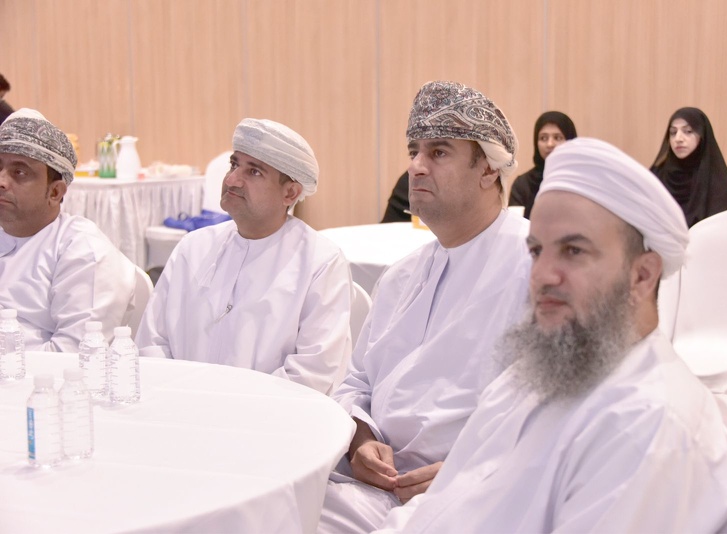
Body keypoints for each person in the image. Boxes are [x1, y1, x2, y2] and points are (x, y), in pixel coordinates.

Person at [376, 137, 727, 533]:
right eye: (537, 251)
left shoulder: (645, 427)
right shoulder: (543, 372)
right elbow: (449, 502)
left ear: (642, 274)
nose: (542, 275)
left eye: (573, 251)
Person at [318, 81, 531, 532]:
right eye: (413, 151)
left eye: (438, 152)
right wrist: (360, 441)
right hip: (371, 487)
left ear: (488, 169)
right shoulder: (401, 276)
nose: (415, 166)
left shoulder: (536, 269)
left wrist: (470, 473)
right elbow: (357, 381)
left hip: (477, 497)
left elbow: (562, 414)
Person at [135, 118, 352, 395]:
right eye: (234, 164)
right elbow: (152, 343)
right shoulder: (194, 247)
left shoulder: (320, 262)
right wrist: (181, 399)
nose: (232, 180)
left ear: (290, 192)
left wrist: (233, 407)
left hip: (271, 416)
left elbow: (312, 374)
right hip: (179, 405)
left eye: (254, 172)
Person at [0, 108, 135, 351]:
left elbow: (73, 355)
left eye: (19, 172)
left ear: (55, 192)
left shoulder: (83, 252)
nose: (2, 181)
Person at [650, 107, 727, 227]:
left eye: (688, 131)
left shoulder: (718, 183)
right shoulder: (657, 176)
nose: (678, 139)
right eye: (673, 133)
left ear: (702, 136)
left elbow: (721, 231)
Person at [509, 111, 577, 218]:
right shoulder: (523, 184)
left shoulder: (581, 181)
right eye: (543, 138)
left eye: (557, 138)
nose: (550, 144)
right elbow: (514, 222)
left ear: (570, 141)